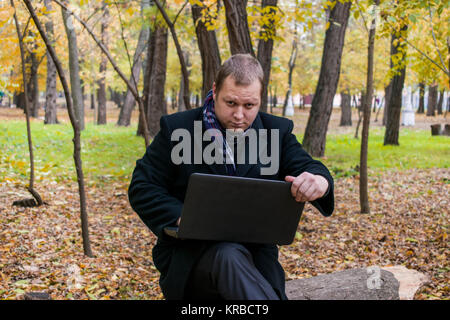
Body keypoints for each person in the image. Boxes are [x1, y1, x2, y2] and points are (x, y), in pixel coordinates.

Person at [128, 54, 334, 300]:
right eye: (230, 103)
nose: (239, 115)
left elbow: (310, 167)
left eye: (249, 106)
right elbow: (142, 186)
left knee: (232, 256)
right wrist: (181, 217)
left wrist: (319, 181)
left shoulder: (276, 132)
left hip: (257, 261)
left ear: (260, 99)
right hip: (190, 259)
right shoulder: (177, 129)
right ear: (214, 91)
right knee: (227, 255)